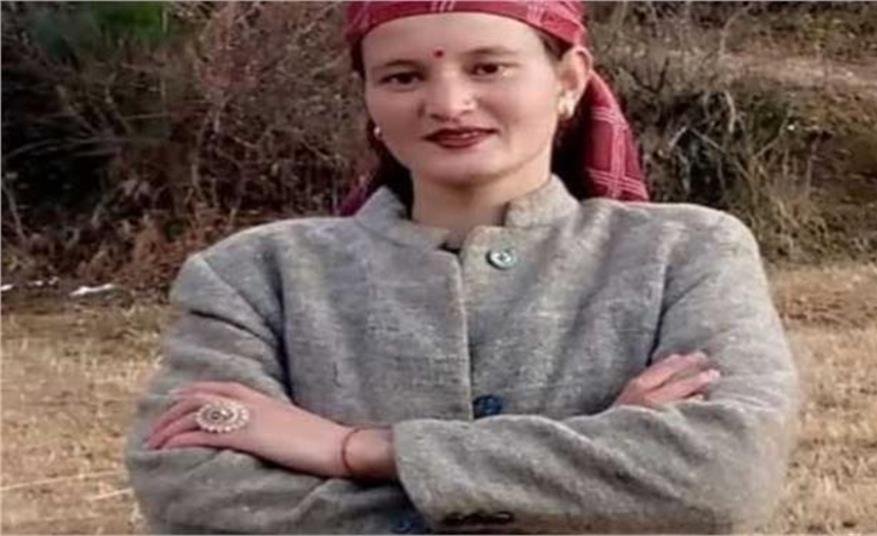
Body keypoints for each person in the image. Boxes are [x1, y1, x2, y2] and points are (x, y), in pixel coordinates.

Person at [125, 2, 799, 534]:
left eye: (489, 68)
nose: (448, 104)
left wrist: (358, 450)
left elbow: (722, 475)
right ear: (369, 97)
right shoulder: (257, 274)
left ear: (569, 80)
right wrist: (593, 484)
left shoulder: (684, 251)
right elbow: (194, 491)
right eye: (403, 76)